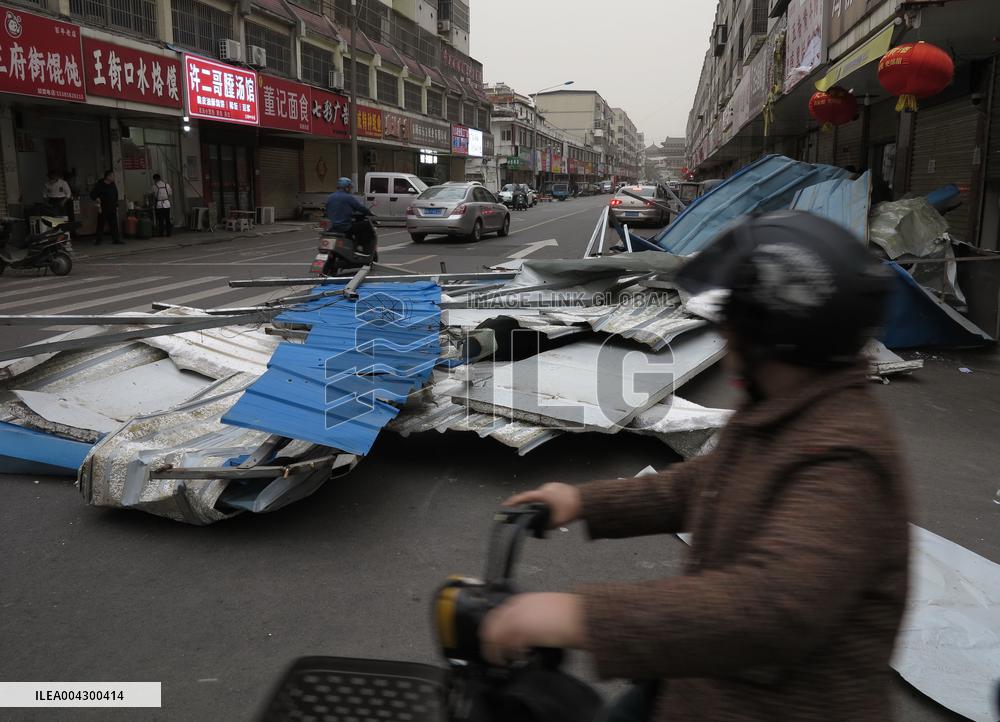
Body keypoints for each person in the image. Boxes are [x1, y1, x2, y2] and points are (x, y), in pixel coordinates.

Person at [480, 211, 911, 722]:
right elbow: (709, 483)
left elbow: (769, 608)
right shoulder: (788, 411)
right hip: (702, 682)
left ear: (772, 338)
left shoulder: (844, 459)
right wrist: (583, 501)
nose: (725, 346)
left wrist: (578, 617)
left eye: (731, 331)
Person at [90, 170, 123, 245]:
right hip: (103, 208)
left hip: (112, 207)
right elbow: (92, 194)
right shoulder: (100, 184)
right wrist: (96, 198)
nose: (114, 177)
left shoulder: (113, 184)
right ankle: (98, 240)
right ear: (108, 177)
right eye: (112, 176)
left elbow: (115, 194)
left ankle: (116, 239)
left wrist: (116, 205)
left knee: (114, 224)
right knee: (101, 224)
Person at [150, 173, 172, 237]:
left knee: (160, 220)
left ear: (155, 179)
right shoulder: (167, 185)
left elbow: (152, 194)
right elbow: (170, 194)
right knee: (167, 219)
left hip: (159, 204)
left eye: (154, 180)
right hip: (167, 204)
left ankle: (161, 233)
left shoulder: (154, 186)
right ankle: (168, 233)